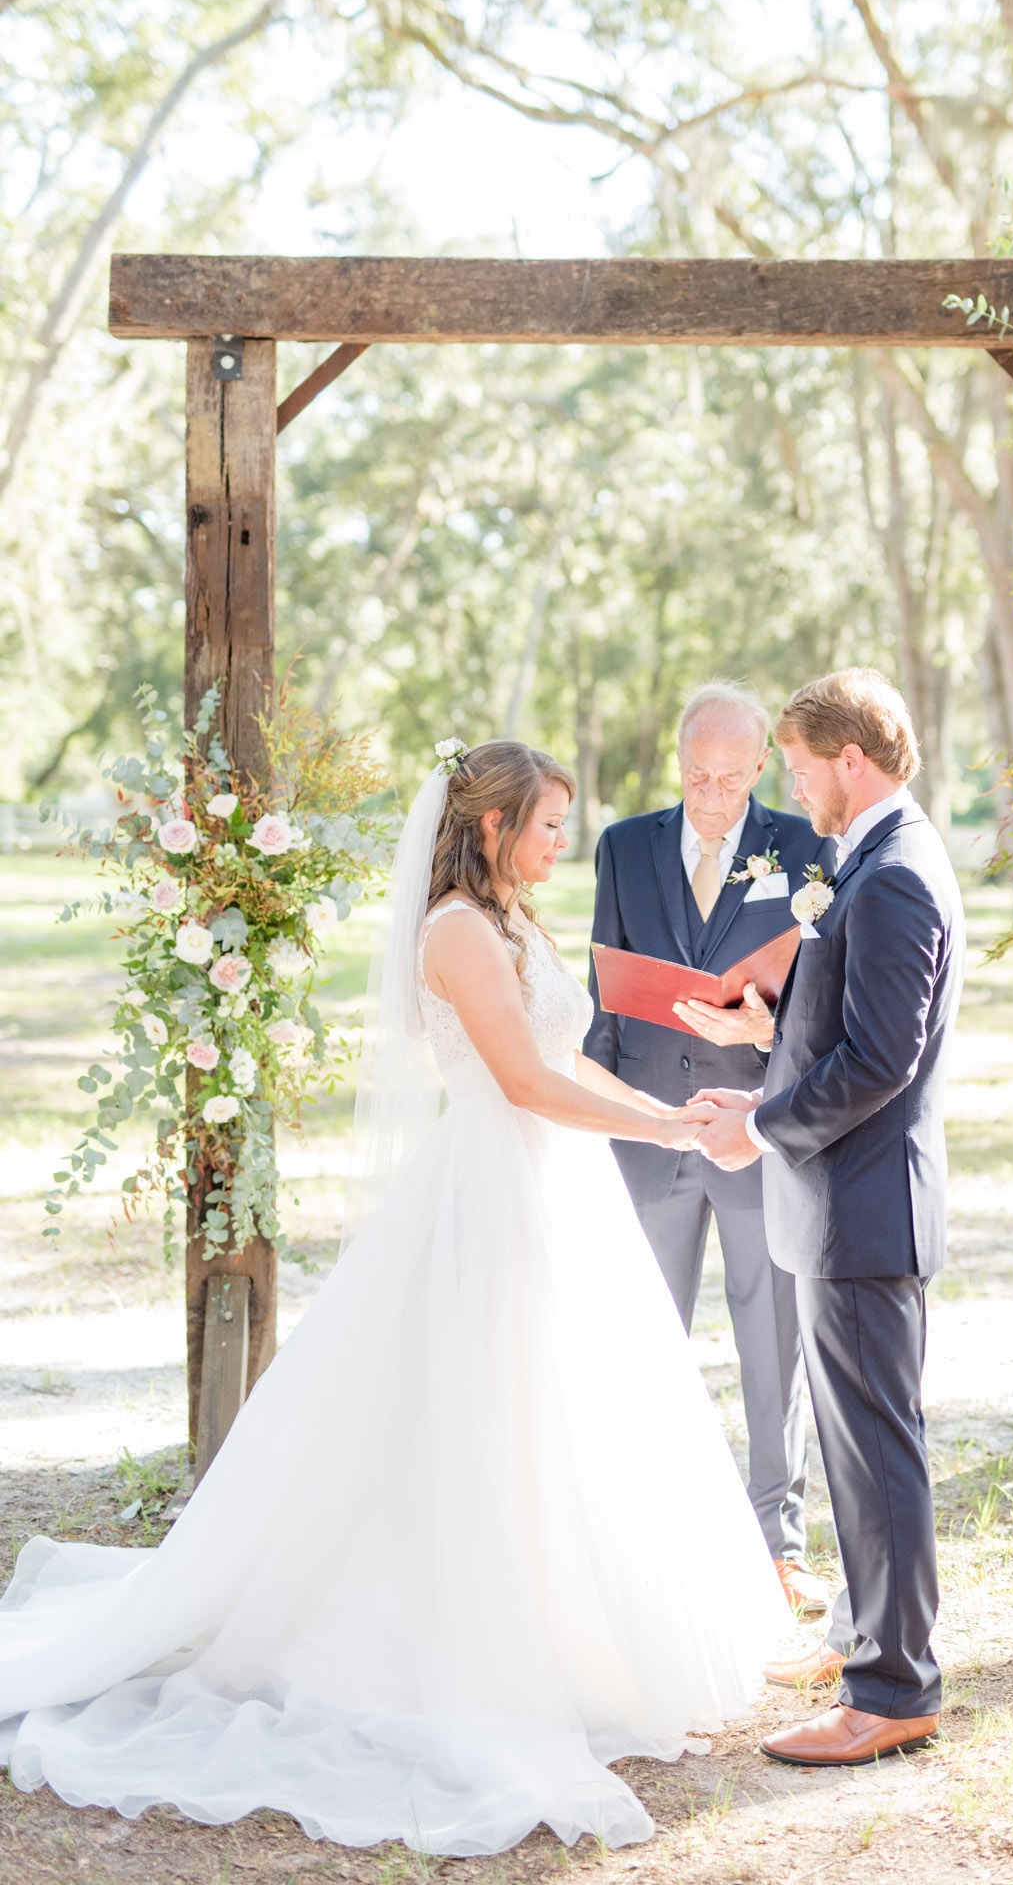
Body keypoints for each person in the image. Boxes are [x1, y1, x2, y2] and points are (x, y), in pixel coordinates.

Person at [0, 740, 788, 1857]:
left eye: (566, 824)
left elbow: (571, 1055)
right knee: (481, 1415)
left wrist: (671, 1110)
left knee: (568, 1412)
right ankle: (471, 1639)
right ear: (487, 827)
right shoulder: (457, 932)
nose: (564, 843)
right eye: (547, 824)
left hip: (556, 1180)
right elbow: (518, 1081)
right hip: (493, 1184)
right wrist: (659, 1129)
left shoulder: (516, 920)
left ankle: (584, 1633)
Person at [691, 669, 964, 1768]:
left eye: (798, 764)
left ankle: (892, 1689)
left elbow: (881, 1061)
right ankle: (862, 1634)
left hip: (862, 1208)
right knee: (856, 1449)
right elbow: (846, 1031)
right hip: (840, 1202)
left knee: (875, 1451)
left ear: (848, 758)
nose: (792, 783)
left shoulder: (894, 871)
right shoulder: (875, 858)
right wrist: (771, 1034)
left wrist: (755, 1127)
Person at [585, 685, 834, 1618]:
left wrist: (767, 1039)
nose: (714, 795)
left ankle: (778, 1543)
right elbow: (605, 991)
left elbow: (821, 999)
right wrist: (601, 1119)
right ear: (677, 764)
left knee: (772, 1341)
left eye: (732, 779)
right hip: (648, 1128)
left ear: (761, 766)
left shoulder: (808, 850)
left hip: (754, 1132)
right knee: (644, 1337)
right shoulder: (625, 847)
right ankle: (647, 1537)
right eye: (698, 777)